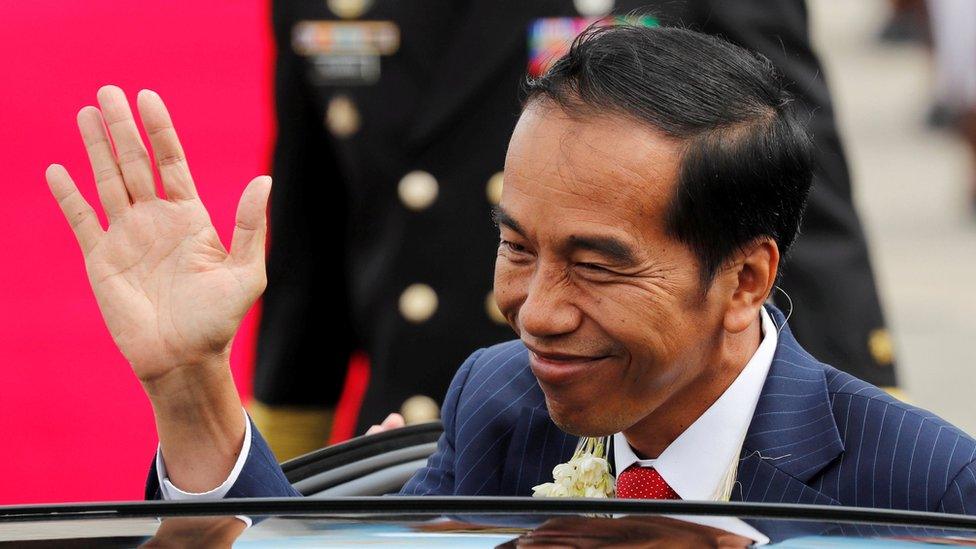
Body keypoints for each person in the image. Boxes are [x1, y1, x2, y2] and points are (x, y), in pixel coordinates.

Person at [47, 25, 973, 510]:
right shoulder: (500, 405)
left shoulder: (918, 491)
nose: (534, 310)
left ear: (743, 280)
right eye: (516, 245)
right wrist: (190, 382)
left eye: (597, 266)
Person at [257, 0, 900, 456]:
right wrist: (287, 453)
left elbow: (793, 202)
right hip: (419, 422)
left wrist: (859, 447)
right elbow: (310, 241)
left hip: (632, 421)